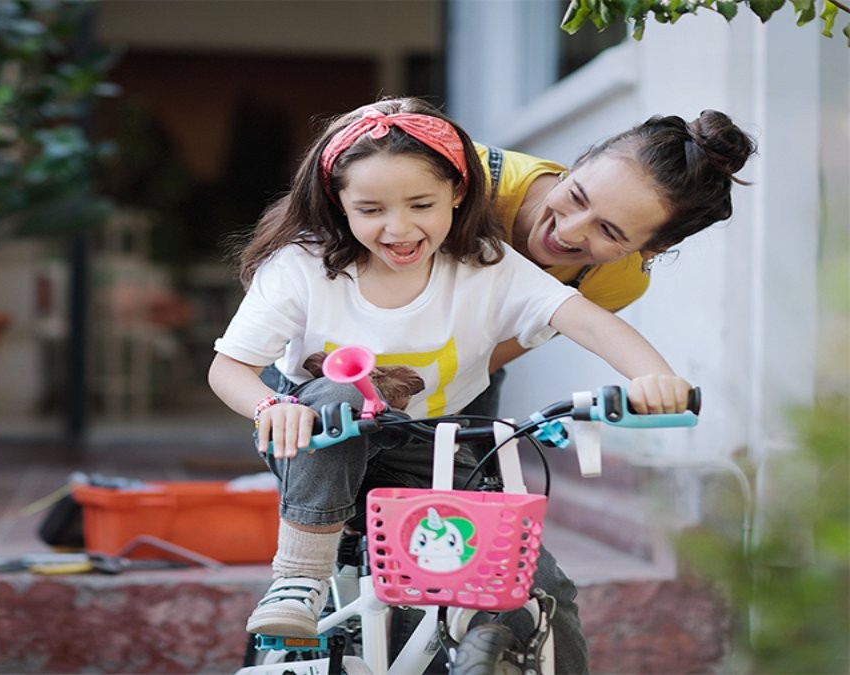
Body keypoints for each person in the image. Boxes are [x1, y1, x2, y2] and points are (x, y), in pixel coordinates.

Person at [209, 97, 694, 672]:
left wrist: (654, 377)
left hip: (433, 447)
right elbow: (229, 368)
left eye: (421, 204)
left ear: (460, 193)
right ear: (338, 205)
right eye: (370, 208)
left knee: (536, 586)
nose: (399, 227)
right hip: (320, 441)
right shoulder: (303, 268)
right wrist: (271, 406)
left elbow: (587, 319)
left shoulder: (489, 265)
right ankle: (299, 577)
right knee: (336, 398)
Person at [463, 111, 756, 416]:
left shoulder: (615, 282)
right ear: (582, 161)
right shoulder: (464, 176)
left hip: (463, 367)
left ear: (655, 248)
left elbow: (487, 360)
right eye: (578, 197)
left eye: (608, 230)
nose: (568, 231)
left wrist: (657, 379)